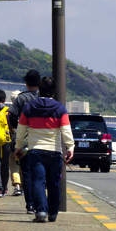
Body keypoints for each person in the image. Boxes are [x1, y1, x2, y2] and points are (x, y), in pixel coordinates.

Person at [14, 76, 74, 223]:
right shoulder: (60, 108)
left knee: (38, 181)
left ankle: (40, 211)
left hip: (35, 150)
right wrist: (70, 147)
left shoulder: (29, 107)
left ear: (40, 90)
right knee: (54, 183)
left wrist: (18, 147)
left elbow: (21, 130)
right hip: (54, 151)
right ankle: (52, 213)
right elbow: (66, 131)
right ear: (54, 91)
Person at [8, 70, 41, 211]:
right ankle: (41, 203)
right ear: (39, 84)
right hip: (42, 139)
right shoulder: (44, 97)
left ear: (26, 83)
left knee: (26, 172)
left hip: (25, 140)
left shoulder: (21, 99)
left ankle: (30, 204)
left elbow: (12, 117)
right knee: (39, 174)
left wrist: (19, 128)